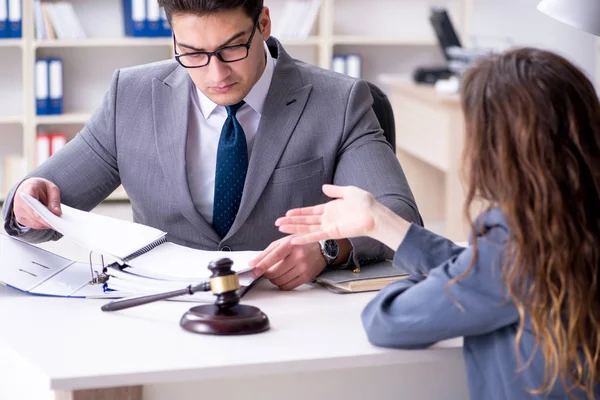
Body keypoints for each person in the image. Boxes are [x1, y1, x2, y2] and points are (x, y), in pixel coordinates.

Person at [1, 0, 422, 290]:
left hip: (291, 313)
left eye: (231, 48)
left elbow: (401, 220)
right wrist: (27, 205)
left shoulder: (338, 101)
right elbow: (37, 207)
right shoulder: (131, 96)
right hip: (161, 314)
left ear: (264, 24)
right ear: (173, 39)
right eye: (192, 52)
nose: (215, 73)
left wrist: (328, 248)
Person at [274, 47, 600, 399]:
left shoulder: (515, 243)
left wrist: (425, 280)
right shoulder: (569, 220)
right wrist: (381, 223)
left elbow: (388, 320)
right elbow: (480, 274)